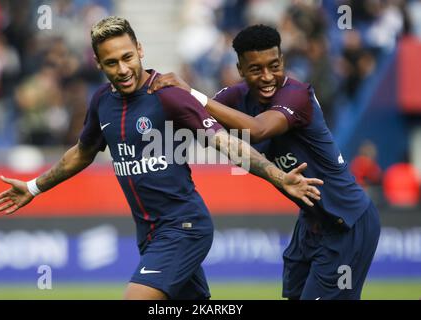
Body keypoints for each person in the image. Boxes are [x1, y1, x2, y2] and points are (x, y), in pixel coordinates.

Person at [0, 17, 323, 300]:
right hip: (148, 234)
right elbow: (82, 152)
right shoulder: (101, 102)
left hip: (184, 227)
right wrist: (34, 187)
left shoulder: (168, 95)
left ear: (140, 50)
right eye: (111, 63)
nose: (122, 69)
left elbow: (226, 143)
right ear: (98, 63)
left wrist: (278, 177)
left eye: (127, 57)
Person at [149, 24, 381, 300]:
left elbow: (258, 129)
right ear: (240, 69)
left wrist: (193, 93)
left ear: (282, 61)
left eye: (274, 65)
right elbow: (195, 116)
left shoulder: (297, 94)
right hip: (311, 225)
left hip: (347, 223)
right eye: (256, 69)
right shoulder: (236, 97)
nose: (268, 76)